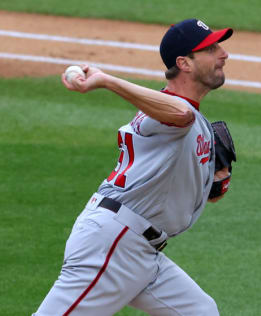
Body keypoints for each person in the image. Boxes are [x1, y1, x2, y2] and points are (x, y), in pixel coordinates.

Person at [33, 18, 234, 316]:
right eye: (210, 48)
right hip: (113, 244)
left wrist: (214, 182)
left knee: (202, 311)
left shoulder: (191, 120)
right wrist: (106, 80)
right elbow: (180, 115)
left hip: (140, 249)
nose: (223, 54)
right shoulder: (168, 112)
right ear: (185, 63)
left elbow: (200, 191)